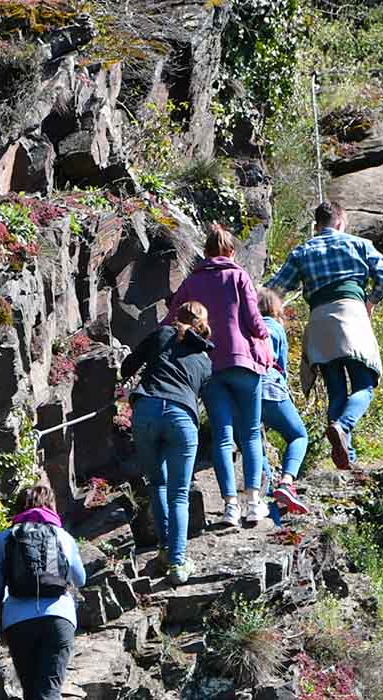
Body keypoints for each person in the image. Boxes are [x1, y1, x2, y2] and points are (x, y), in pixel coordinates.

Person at [264, 201, 383, 471]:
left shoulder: (302, 252)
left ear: (316, 225)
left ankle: (348, 458)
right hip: (352, 316)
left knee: (336, 391)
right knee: (364, 386)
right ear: (340, 222)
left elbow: (274, 290)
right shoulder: (359, 244)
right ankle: (343, 427)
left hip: (320, 322)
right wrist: (370, 302)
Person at [169, 226, 276, 527]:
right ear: (231, 252)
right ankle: (254, 503)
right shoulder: (238, 276)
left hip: (210, 367)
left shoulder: (191, 282)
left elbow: (171, 321)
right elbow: (254, 321)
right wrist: (265, 336)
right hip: (244, 364)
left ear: (205, 252)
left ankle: (230, 506)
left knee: (222, 437)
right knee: (251, 433)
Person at [120, 301, 214, 584]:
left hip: (146, 410)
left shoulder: (162, 335)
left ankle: (164, 550)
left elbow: (127, 367)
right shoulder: (206, 360)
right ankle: (177, 562)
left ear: (177, 316)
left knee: (156, 484)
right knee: (179, 494)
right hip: (182, 418)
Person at [0, 485, 88, 700]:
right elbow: (81, 579)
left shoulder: (4, 538)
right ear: (51, 506)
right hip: (59, 618)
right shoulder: (63, 537)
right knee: (49, 691)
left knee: (32, 693)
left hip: (18, 621)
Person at [257, 288, 312, 522]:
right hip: (271, 387)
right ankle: (287, 483)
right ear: (275, 308)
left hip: (242, 389)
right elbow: (281, 365)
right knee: (298, 435)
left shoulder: (245, 327)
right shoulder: (276, 328)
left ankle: (268, 490)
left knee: (254, 441)